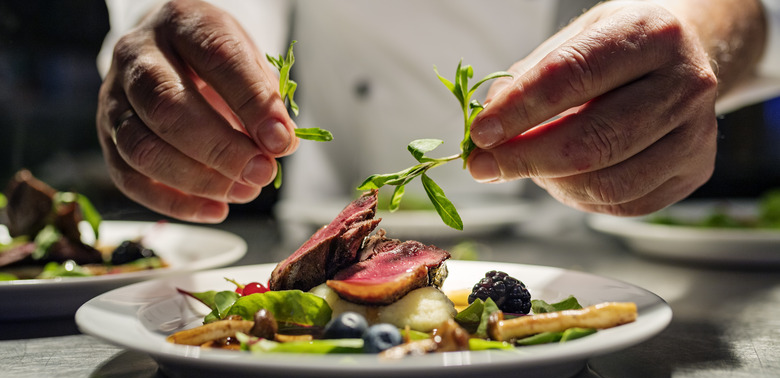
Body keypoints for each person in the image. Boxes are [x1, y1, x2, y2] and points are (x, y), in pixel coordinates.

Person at [96, 0, 780, 223]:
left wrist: (695, 28)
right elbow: (204, 12)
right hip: (320, 213)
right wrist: (194, 56)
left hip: (566, 229)